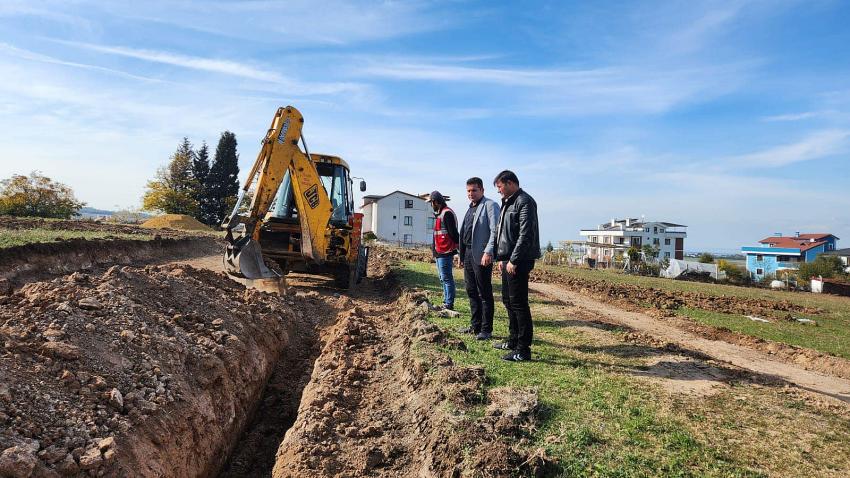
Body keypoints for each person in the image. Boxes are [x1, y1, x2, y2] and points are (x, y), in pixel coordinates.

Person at [492, 170, 540, 362]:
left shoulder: (524, 201)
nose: (499, 191)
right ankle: (512, 340)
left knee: (519, 303)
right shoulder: (508, 202)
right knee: (508, 300)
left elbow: (525, 234)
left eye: (500, 187)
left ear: (510, 183)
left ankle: (523, 349)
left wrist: (514, 259)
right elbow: (503, 233)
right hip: (507, 260)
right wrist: (501, 258)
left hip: (518, 261)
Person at [457, 177, 500, 340]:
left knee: (484, 292)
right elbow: (465, 233)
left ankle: (486, 329)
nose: (471, 193)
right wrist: (461, 255)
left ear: (482, 190)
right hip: (468, 254)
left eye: (474, 190)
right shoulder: (470, 208)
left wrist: (489, 251)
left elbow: (494, 231)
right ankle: (475, 326)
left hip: (482, 255)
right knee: (471, 290)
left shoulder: (490, 205)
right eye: (468, 190)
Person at [427, 190, 459, 310]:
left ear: (435, 202)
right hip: (440, 251)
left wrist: (457, 249)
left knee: (447, 278)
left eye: (431, 203)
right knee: (443, 278)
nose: (431, 205)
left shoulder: (447, 214)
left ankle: (449, 303)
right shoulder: (440, 214)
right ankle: (446, 301)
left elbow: (454, 235)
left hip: (446, 251)